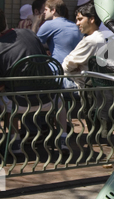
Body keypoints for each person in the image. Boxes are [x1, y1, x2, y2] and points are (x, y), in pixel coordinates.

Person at [0, 9, 67, 153]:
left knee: (3, 99)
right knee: (61, 99)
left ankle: (15, 140)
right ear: (5, 20)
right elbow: (42, 60)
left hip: (18, 104)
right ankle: (63, 138)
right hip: (48, 99)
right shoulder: (30, 34)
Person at [62, 2, 106, 89]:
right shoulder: (100, 36)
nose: (77, 23)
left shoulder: (91, 40)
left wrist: (75, 69)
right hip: (85, 83)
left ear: (91, 19)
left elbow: (66, 66)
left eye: (80, 19)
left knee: (49, 80)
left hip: (78, 85)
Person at [37, 0, 82, 64]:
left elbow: (35, 43)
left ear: (53, 10)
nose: (44, 12)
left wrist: (36, 23)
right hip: (76, 67)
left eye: (46, 9)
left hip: (57, 67)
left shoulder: (49, 24)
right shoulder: (75, 26)